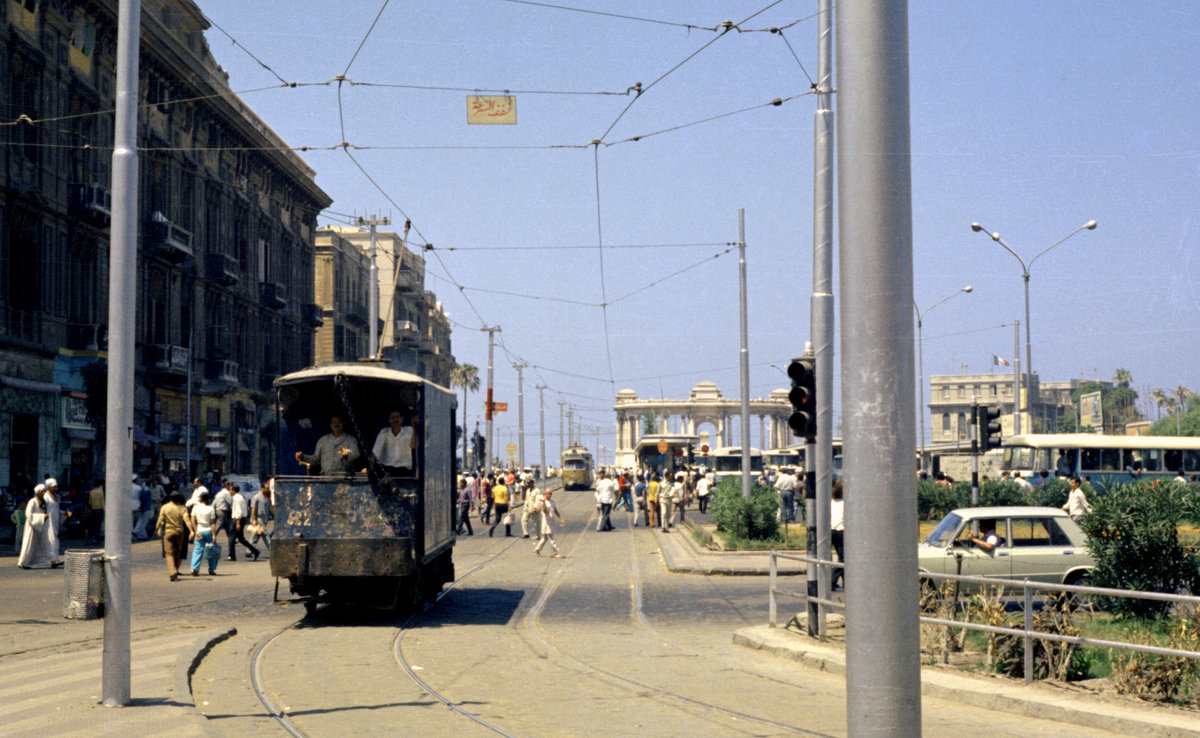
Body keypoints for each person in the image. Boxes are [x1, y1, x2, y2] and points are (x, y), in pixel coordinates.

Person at [17, 484, 63, 569]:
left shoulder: (43, 502)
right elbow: (28, 514)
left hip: (41, 525)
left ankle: (53, 560)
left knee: (46, 543)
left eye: (44, 491)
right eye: (42, 491)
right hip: (32, 526)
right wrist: (41, 517)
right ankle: (23, 562)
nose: (44, 493)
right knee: (29, 544)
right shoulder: (33, 501)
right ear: (38, 492)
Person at [296, 415, 361, 474]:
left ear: (343, 424)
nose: (336, 424)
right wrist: (303, 457)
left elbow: (356, 454)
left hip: (344, 481)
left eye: (339, 422)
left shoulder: (351, 440)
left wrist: (347, 454)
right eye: (334, 422)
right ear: (330, 425)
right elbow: (316, 459)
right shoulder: (323, 440)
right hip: (326, 481)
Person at [156, 491, 194, 581]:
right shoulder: (182, 508)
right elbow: (187, 520)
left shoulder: (164, 507)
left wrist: (156, 529)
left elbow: (160, 519)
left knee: (169, 553)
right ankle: (175, 570)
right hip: (179, 532)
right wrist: (191, 531)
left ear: (170, 498)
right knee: (177, 553)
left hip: (168, 532)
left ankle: (172, 572)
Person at [372, 410, 418, 477]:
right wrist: (370, 466)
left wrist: (414, 426)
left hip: (404, 470)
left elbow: (413, 446)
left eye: (397, 417)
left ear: (401, 419)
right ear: (389, 420)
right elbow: (376, 452)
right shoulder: (384, 432)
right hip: (387, 470)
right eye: (392, 418)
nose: (395, 420)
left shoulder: (409, 430)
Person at [189, 491, 218, 576]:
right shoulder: (211, 508)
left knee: (197, 550)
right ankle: (211, 569)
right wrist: (214, 535)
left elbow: (192, 520)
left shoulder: (196, 507)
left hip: (200, 530)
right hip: (208, 530)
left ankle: (194, 568)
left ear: (201, 498)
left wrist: (196, 531)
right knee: (211, 550)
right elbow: (212, 523)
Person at [228, 484, 260, 561]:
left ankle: (232, 555)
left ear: (233, 490)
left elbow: (238, 511)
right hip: (241, 519)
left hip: (238, 519)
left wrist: (238, 522)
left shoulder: (237, 498)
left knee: (231, 538)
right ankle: (255, 551)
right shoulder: (240, 497)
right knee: (241, 539)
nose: (229, 491)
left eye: (230, 489)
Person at [533, 489, 565, 557]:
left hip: (551, 521)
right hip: (546, 522)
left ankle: (537, 549)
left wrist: (561, 518)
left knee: (544, 538)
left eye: (550, 494)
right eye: (548, 494)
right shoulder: (542, 502)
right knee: (551, 538)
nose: (549, 495)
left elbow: (555, 510)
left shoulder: (552, 502)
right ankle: (555, 552)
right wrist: (544, 502)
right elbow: (544, 511)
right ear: (545, 494)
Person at [249, 483, 273, 553]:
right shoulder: (256, 497)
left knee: (255, 536)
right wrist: (254, 519)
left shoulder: (266, 499)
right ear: (262, 488)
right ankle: (272, 551)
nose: (268, 490)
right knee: (266, 535)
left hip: (264, 519)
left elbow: (269, 508)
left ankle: (249, 551)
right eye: (267, 488)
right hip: (258, 519)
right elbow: (253, 509)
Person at [830, 480, 845, 589]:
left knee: (842, 556)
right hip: (841, 531)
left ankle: (847, 582)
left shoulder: (832, 502)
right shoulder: (845, 504)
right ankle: (832, 581)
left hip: (832, 531)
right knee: (843, 559)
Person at [132, 475, 154, 540]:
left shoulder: (143, 489)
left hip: (141, 507)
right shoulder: (146, 490)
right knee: (143, 522)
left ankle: (140, 534)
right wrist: (141, 506)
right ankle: (141, 534)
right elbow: (144, 500)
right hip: (145, 508)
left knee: (140, 521)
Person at [84, 479, 105, 545]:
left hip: (93, 510)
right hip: (99, 509)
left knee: (93, 525)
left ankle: (92, 538)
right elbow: (102, 501)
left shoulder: (92, 492)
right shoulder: (100, 492)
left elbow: (90, 502)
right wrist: (105, 509)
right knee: (98, 525)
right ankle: (96, 539)